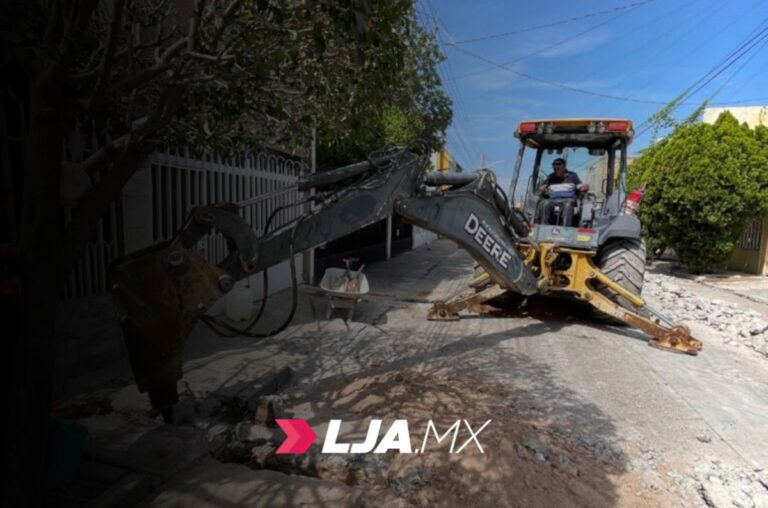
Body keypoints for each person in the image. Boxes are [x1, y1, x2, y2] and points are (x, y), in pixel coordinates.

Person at [538, 158, 589, 225]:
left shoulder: (572, 176)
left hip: (568, 199)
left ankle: (565, 229)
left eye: (558, 168)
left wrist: (584, 187)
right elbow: (543, 186)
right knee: (545, 204)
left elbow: (580, 186)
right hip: (553, 200)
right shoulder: (551, 176)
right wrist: (542, 188)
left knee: (567, 205)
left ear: (564, 167)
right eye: (555, 169)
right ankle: (543, 227)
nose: (556, 170)